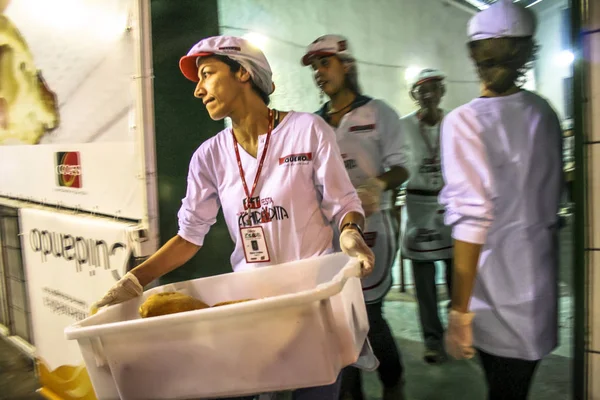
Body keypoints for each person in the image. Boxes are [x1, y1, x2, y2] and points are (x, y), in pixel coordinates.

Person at [91, 35, 376, 400]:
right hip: (253, 307)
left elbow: (343, 200)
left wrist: (350, 232)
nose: (198, 91)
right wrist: (134, 281)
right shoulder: (209, 156)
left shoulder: (306, 130)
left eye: (207, 74)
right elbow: (190, 235)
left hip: (315, 300)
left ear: (243, 72)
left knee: (317, 392)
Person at [440, 1, 563, 399]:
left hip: (493, 297)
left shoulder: (465, 121)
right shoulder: (544, 113)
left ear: (475, 55)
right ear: (526, 54)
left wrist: (459, 312)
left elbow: (472, 222)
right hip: (540, 292)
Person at [301, 34, 408, 400]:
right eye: (314, 67)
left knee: (368, 315)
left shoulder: (378, 113)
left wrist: (377, 185)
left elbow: (402, 165)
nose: (318, 73)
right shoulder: (312, 125)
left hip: (373, 230)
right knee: (340, 319)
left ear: (346, 65)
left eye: (324, 64)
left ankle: (393, 379)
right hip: (329, 236)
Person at [399, 68, 453, 364]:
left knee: (458, 275)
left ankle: (459, 333)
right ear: (414, 96)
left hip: (450, 204)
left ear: (442, 91)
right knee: (424, 281)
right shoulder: (404, 125)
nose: (428, 94)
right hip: (419, 206)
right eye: (422, 89)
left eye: (434, 87)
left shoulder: (455, 123)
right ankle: (433, 340)